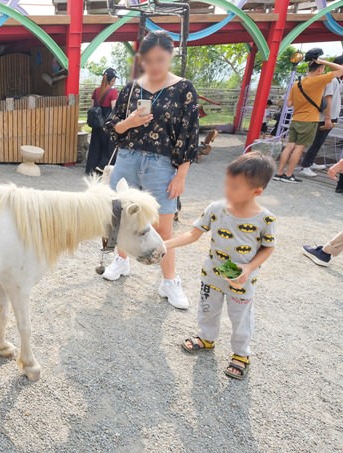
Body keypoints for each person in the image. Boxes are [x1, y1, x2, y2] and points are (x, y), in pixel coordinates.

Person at [103, 30, 199, 310]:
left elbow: (189, 135)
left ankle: (169, 280)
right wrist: (130, 122)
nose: (155, 65)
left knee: (163, 226)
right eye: (149, 59)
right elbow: (112, 128)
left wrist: (181, 175)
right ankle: (121, 261)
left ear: (170, 55)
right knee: (118, 217)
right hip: (128, 158)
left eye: (161, 59)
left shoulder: (184, 89)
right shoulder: (131, 88)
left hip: (162, 163)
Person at [164, 152, 277, 380]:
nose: (227, 191)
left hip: (242, 282)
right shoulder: (216, 208)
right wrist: (163, 244)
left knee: (240, 317)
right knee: (207, 309)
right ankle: (206, 338)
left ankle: (241, 354)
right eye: (227, 184)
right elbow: (193, 234)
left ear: (257, 191)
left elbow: (268, 247)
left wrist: (249, 267)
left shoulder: (265, 219)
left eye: (235, 187)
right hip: (212, 276)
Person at [274, 54, 343, 183]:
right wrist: (323, 61)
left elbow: (289, 103)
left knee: (289, 146)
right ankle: (289, 175)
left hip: (296, 119)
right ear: (319, 69)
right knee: (299, 148)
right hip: (309, 119)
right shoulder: (319, 80)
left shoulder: (297, 83)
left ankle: (279, 173)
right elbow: (340, 70)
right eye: (322, 68)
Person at [300, 55, 343, 177]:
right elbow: (327, 98)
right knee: (317, 142)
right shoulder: (332, 80)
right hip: (325, 117)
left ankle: (310, 162)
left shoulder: (337, 80)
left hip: (329, 116)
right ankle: (306, 166)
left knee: (319, 142)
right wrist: (328, 118)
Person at [85, 68, 119, 175]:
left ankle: (91, 168)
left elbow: (92, 106)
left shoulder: (96, 91)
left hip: (96, 123)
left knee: (95, 146)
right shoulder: (113, 92)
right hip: (106, 124)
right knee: (108, 147)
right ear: (112, 79)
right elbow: (114, 109)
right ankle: (101, 168)